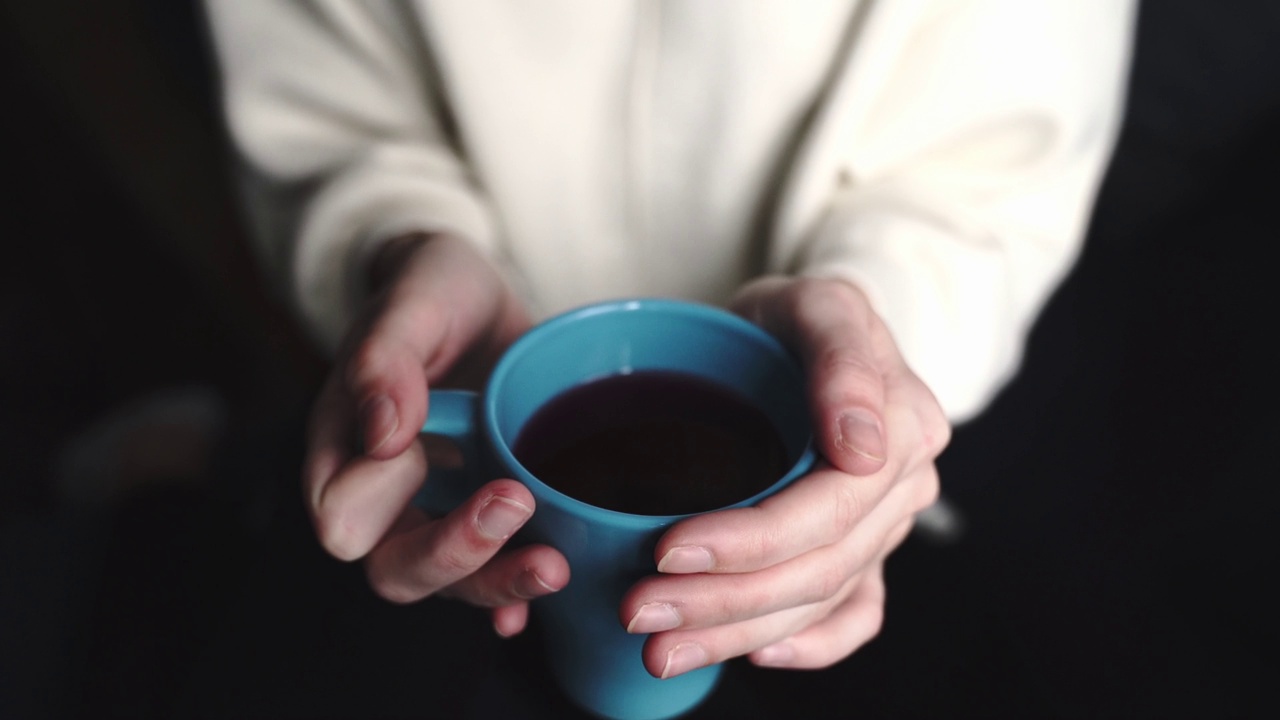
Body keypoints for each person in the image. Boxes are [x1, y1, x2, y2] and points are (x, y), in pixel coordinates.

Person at [203, 0, 1136, 683]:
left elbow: (993, 154)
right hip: (454, 494)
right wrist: (398, 238)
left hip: (898, 477)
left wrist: (876, 331)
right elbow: (322, 100)